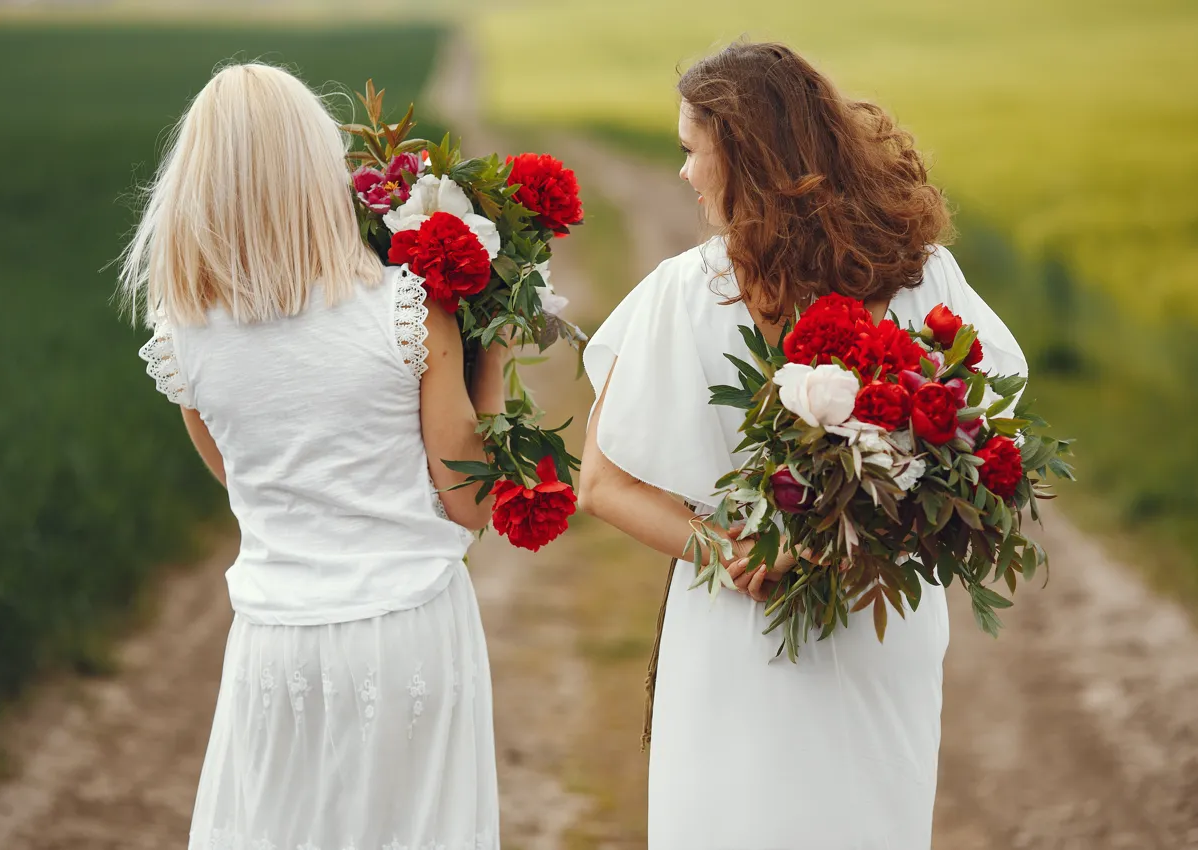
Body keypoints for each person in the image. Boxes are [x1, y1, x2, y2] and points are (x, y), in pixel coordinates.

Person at [579, 42, 1027, 849]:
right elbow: (975, 439)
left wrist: (731, 553)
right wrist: (791, 548)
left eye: (691, 151)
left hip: (787, 615)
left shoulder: (691, 291)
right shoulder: (920, 273)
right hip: (864, 603)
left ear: (743, 156)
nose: (682, 174)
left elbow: (599, 484)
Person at [118, 62, 503, 850]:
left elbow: (248, 483)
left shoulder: (180, 337)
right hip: (406, 630)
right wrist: (487, 349)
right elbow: (472, 501)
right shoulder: (408, 309)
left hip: (274, 641)